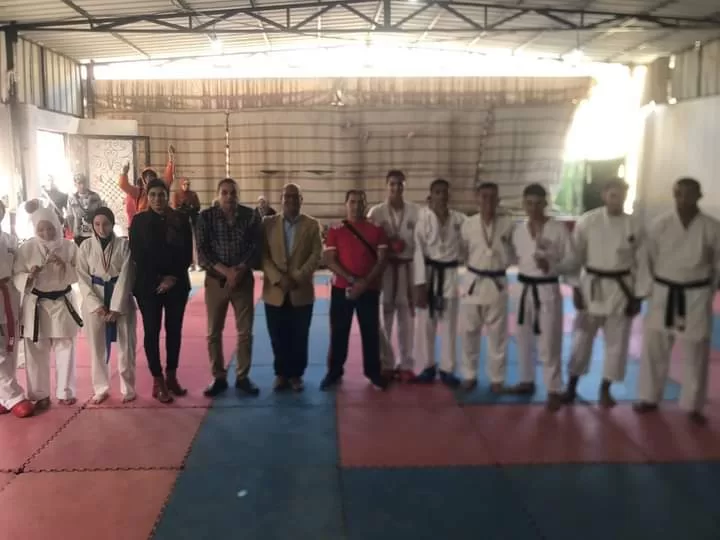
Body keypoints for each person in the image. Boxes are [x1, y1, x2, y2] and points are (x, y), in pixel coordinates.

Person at [635, 178, 720, 424]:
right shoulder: (659, 225)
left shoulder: (712, 227)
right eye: (679, 193)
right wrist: (645, 291)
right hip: (663, 292)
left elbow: (718, 264)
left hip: (696, 294)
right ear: (674, 195)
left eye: (690, 194)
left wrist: (709, 289)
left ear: (700, 195)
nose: (684, 198)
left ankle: (693, 405)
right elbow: (646, 260)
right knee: (655, 347)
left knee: (696, 350)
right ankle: (649, 397)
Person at [562, 179, 647, 407]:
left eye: (621, 195)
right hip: (591, 287)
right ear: (604, 195)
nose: (617, 199)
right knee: (580, 341)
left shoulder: (635, 225)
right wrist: (575, 288)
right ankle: (571, 386)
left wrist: (638, 297)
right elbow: (574, 256)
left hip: (621, 290)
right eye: (613, 195)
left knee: (617, 344)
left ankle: (605, 388)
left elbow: (642, 263)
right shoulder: (588, 221)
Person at [511, 183, 577, 411]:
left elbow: (572, 261)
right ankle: (526, 380)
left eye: (538, 203)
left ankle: (553, 388)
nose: (534, 208)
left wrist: (552, 266)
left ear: (546, 203)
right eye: (529, 203)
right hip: (523, 289)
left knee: (550, 340)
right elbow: (514, 257)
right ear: (523, 204)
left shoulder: (558, 229)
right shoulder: (519, 230)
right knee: (523, 338)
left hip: (547, 290)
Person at [129, 178, 193, 404]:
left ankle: (172, 375)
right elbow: (137, 254)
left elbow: (187, 253)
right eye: (153, 195)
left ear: (167, 196)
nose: (158, 199)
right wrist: (159, 278)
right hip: (148, 285)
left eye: (162, 195)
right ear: (148, 197)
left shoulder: (180, 219)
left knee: (174, 331)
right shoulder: (139, 221)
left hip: (177, 283)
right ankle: (158, 380)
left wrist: (172, 277)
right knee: (152, 331)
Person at [197, 178, 262, 398]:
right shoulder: (205, 217)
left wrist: (240, 270)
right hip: (216, 281)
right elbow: (203, 252)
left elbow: (256, 247)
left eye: (233, 193)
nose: (229, 197)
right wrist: (227, 272)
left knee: (245, 332)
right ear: (218, 195)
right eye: (224, 193)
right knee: (213, 332)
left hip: (243, 281)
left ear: (238, 195)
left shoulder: (250, 215)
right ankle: (218, 377)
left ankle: (242, 377)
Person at [13, 208, 82, 410]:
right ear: (35, 229)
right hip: (36, 303)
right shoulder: (26, 248)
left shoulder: (69, 247)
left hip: (62, 301)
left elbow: (80, 273)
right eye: (41, 229)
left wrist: (65, 266)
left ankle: (65, 391)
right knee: (36, 349)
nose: (46, 233)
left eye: (50, 228)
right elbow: (16, 275)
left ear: (57, 226)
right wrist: (29, 276)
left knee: (65, 346)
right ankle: (39, 394)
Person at [321, 189, 389, 391]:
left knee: (370, 332)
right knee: (339, 331)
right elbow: (329, 261)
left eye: (360, 202)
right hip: (342, 288)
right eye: (352, 201)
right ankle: (334, 372)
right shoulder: (336, 230)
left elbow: (382, 260)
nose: (356, 205)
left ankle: (373, 372)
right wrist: (352, 280)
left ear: (365, 205)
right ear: (346, 204)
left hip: (369, 288)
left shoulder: (377, 229)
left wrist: (364, 282)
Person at [262, 184, 322, 391]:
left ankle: (296, 375)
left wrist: (297, 277)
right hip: (274, 290)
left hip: (300, 289)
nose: (291, 200)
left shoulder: (312, 225)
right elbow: (263, 255)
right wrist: (278, 278)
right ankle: (281, 374)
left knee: (299, 334)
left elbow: (316, 255)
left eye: (295, 197)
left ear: (301, 200)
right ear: (281, 199)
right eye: (287, 196)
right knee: (277, 334)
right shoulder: (267, 223)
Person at [77, 207, 137, 404]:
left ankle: (128, 388)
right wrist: (96, 305)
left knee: (126, 346)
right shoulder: (85, 246)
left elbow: (127, 275)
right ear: (92, 225)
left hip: (121, 298)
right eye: (97, 224)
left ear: (112, 224)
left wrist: (116, 307)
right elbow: (82, 278)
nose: (101, 228)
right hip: (95, 299)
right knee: (96, 347)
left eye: (106, 224)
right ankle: (100, 388)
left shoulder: (124, 245)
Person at [459, 182, 515, 392]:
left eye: (492, 197)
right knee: (469, 333)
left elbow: (515, 252)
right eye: (484, 196)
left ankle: (497, 378)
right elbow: (463, 252)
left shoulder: (508, 224)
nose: (488, 201)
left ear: (498, 200)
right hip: (473, 283)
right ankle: (469, 374)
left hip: (497, 284)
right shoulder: (468, 224)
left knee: (498, 335)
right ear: (477, 198)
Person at [367, 170, 420, 382]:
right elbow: (369, 243)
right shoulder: (376, 212)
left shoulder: (416, 211)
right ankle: (385, 363)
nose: (396, 188)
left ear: (405, 186)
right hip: (385, 269)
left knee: (407, 318)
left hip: (408, 268)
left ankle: (406, 364)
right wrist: (388, 246)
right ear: (386, 185)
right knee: (384, 317)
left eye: (400, 184)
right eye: (392, 184)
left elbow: (421, 243)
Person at [412, 179, 466, 387]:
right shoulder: (422, 218)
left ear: (449, 195)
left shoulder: (460, 219)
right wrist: (419, 283)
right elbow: (418, 250)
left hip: (450, 274)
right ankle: (427, 366)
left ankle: (447, 368)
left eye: (445, 192)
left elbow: (468, 244)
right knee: (426, 324)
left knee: (450, 324)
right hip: (429, 274)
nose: (441, 195)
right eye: (437, 192)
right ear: (431, 195)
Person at [0, 228, 34, 418]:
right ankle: (14, 396)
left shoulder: (10, 239)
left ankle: (2, 396)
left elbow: (19, 268)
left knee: (10, 346)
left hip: (9, 292)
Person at [119, 145, 175, 226]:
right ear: (143, 179)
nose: (149, 178)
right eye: (147, 176)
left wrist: (171, 159)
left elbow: (168, 177)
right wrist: (123, 173)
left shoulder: (161, 188)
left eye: (151, 175)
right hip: (143, 224)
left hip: (159, 222)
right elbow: (124, 185)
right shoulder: (138, 191)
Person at [171, 177, 201, 270]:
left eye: (188, 184)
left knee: (194, 240)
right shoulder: (176, 194)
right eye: (184, 184)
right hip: (181, 221)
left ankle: (194, 260)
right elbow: (174, 207)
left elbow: (197, 206)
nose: (186, 186)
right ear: (181, 185)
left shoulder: (193, 194)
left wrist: (191, 208)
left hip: (191, 220)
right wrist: (182, 208)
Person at [66, 173, 104, 246]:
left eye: (84, 182)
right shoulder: (72, 199)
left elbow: (101, 214)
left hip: (94, 232)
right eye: (79, 183)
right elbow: (70, 216)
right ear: (75, 184)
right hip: (79, 233)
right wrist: (72, 232)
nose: (82, 186)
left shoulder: (95, 196)